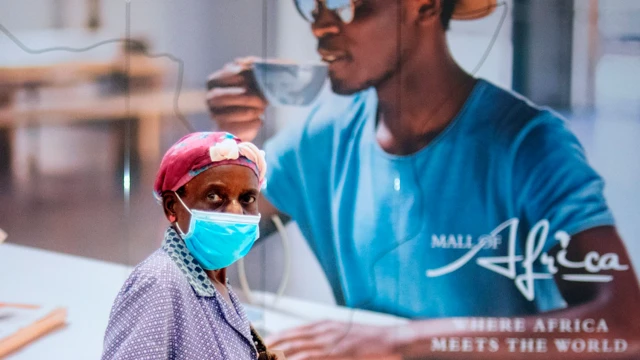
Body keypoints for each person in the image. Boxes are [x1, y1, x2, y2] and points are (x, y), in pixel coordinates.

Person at [206, 0, 640, 358]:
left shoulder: (528, 144)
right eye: (312, 4)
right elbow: (197, 248)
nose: (320, 23)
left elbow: (624, 325)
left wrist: (400, 343)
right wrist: (219, 154)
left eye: (344, 3)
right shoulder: (323, 138)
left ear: (426, 6)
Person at [101, 132, 284, 360]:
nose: (236, 211)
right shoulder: (159, 283)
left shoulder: (215, 284)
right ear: (171, 207)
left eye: (247, 198)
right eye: (215, 196)